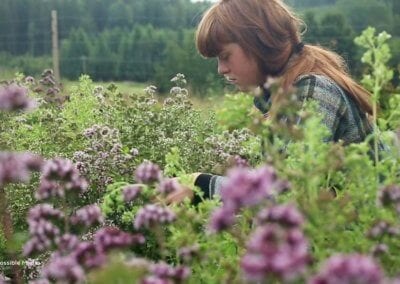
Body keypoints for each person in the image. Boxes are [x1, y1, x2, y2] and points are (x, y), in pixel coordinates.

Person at [166, 0, 378, 204]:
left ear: (257, 42)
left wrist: (200, 185)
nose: (221, 69)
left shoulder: (314, 91)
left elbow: (288, 193)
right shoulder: (281, 95)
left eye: (225, 55)